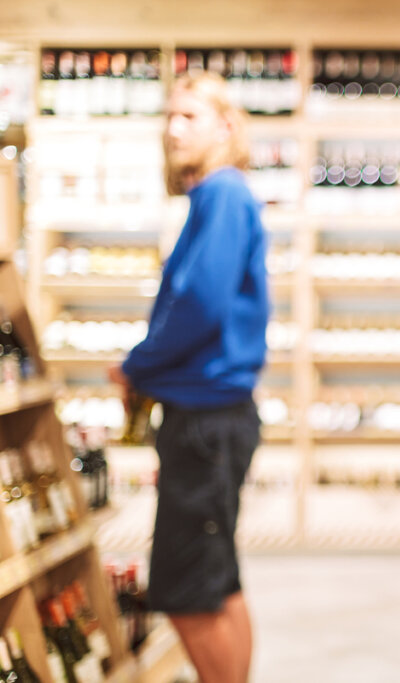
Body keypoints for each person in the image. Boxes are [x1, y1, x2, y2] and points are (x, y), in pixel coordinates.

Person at [108, 73, 269, 683]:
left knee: (184, 589)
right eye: (169, 116)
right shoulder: (218, 196)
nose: (173, 128)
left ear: (227, 127)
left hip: (204, 423)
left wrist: (137, 365)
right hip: (214, 419)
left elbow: (199, 305)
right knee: (216, 581)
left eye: (190, 116)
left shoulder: (224, 194)